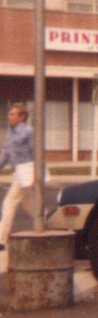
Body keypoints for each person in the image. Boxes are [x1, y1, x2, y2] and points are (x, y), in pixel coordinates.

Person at [0, 103, 35, 251]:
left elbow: (36, 152)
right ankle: (48, 222)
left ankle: (1, 240)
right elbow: (5, 154)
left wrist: (36, 174)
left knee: (9, 202)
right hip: (17, 173)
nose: (10, 116)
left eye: (13, 114)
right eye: (9, 114)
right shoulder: (9, 134)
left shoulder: (29, 132)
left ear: (22, 117)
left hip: (27, 171)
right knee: (30, 204)